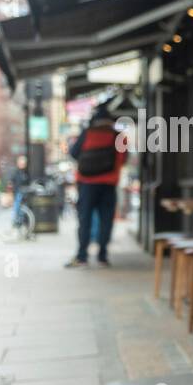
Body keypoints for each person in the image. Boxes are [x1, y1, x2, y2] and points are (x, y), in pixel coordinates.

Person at [65, 100, 128, 268]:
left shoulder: (87, 133)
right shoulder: (118, 136)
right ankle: (102, 256)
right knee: (106, 219)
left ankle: (82, 256)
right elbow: (123, 159)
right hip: (109, 183)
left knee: (84, 219)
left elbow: (73, 153)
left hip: (86, 183)